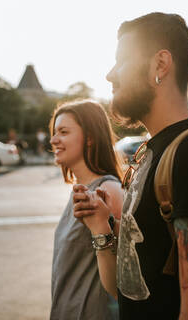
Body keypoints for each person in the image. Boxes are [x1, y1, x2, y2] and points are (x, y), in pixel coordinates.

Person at [73, 13, 188, 319]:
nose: (110, 74)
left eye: (121, 61)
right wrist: (100, 226)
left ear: (160, 65)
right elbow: (126, 291)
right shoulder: (149, 153)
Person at [49, 99, 124, 320]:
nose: (53, 140)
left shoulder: (109, 190)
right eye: (54, 132)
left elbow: (126, 275)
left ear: (90, 138)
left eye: (63, 132)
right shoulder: (79, 191)